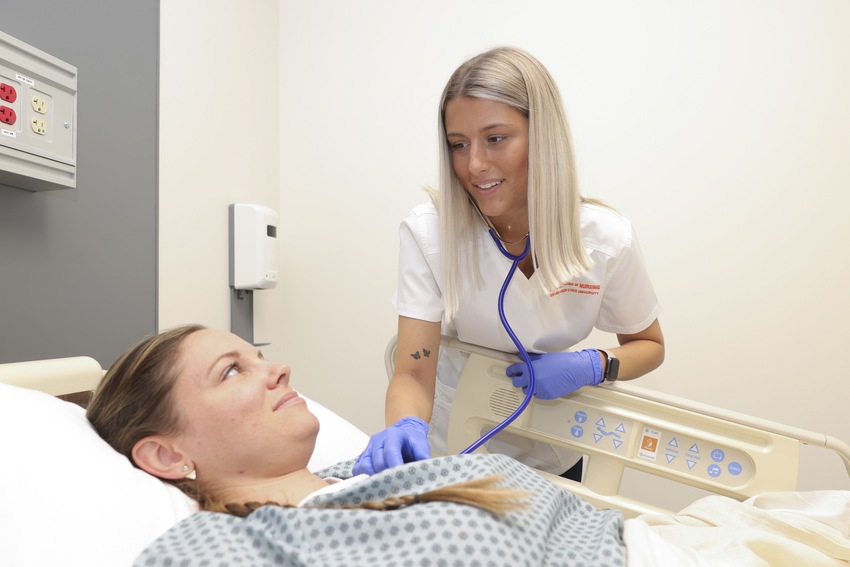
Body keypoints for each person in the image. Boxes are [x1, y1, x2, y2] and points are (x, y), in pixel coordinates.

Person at [354, 46, 664, 479]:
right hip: (454, 448)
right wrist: (405, 425)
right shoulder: (430, 234)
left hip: (553, 454)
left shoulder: (605, 238)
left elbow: (648, 346)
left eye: (495, 138)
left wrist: (595, 363)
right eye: (458, 145)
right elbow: (412, 371)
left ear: (543, 135)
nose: (475, 165)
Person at [86, 325, 626, 566]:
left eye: (259, 355)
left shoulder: (356, 472)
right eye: (232, 372)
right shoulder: (215, 549)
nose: (279, 369)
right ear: (165, 455)